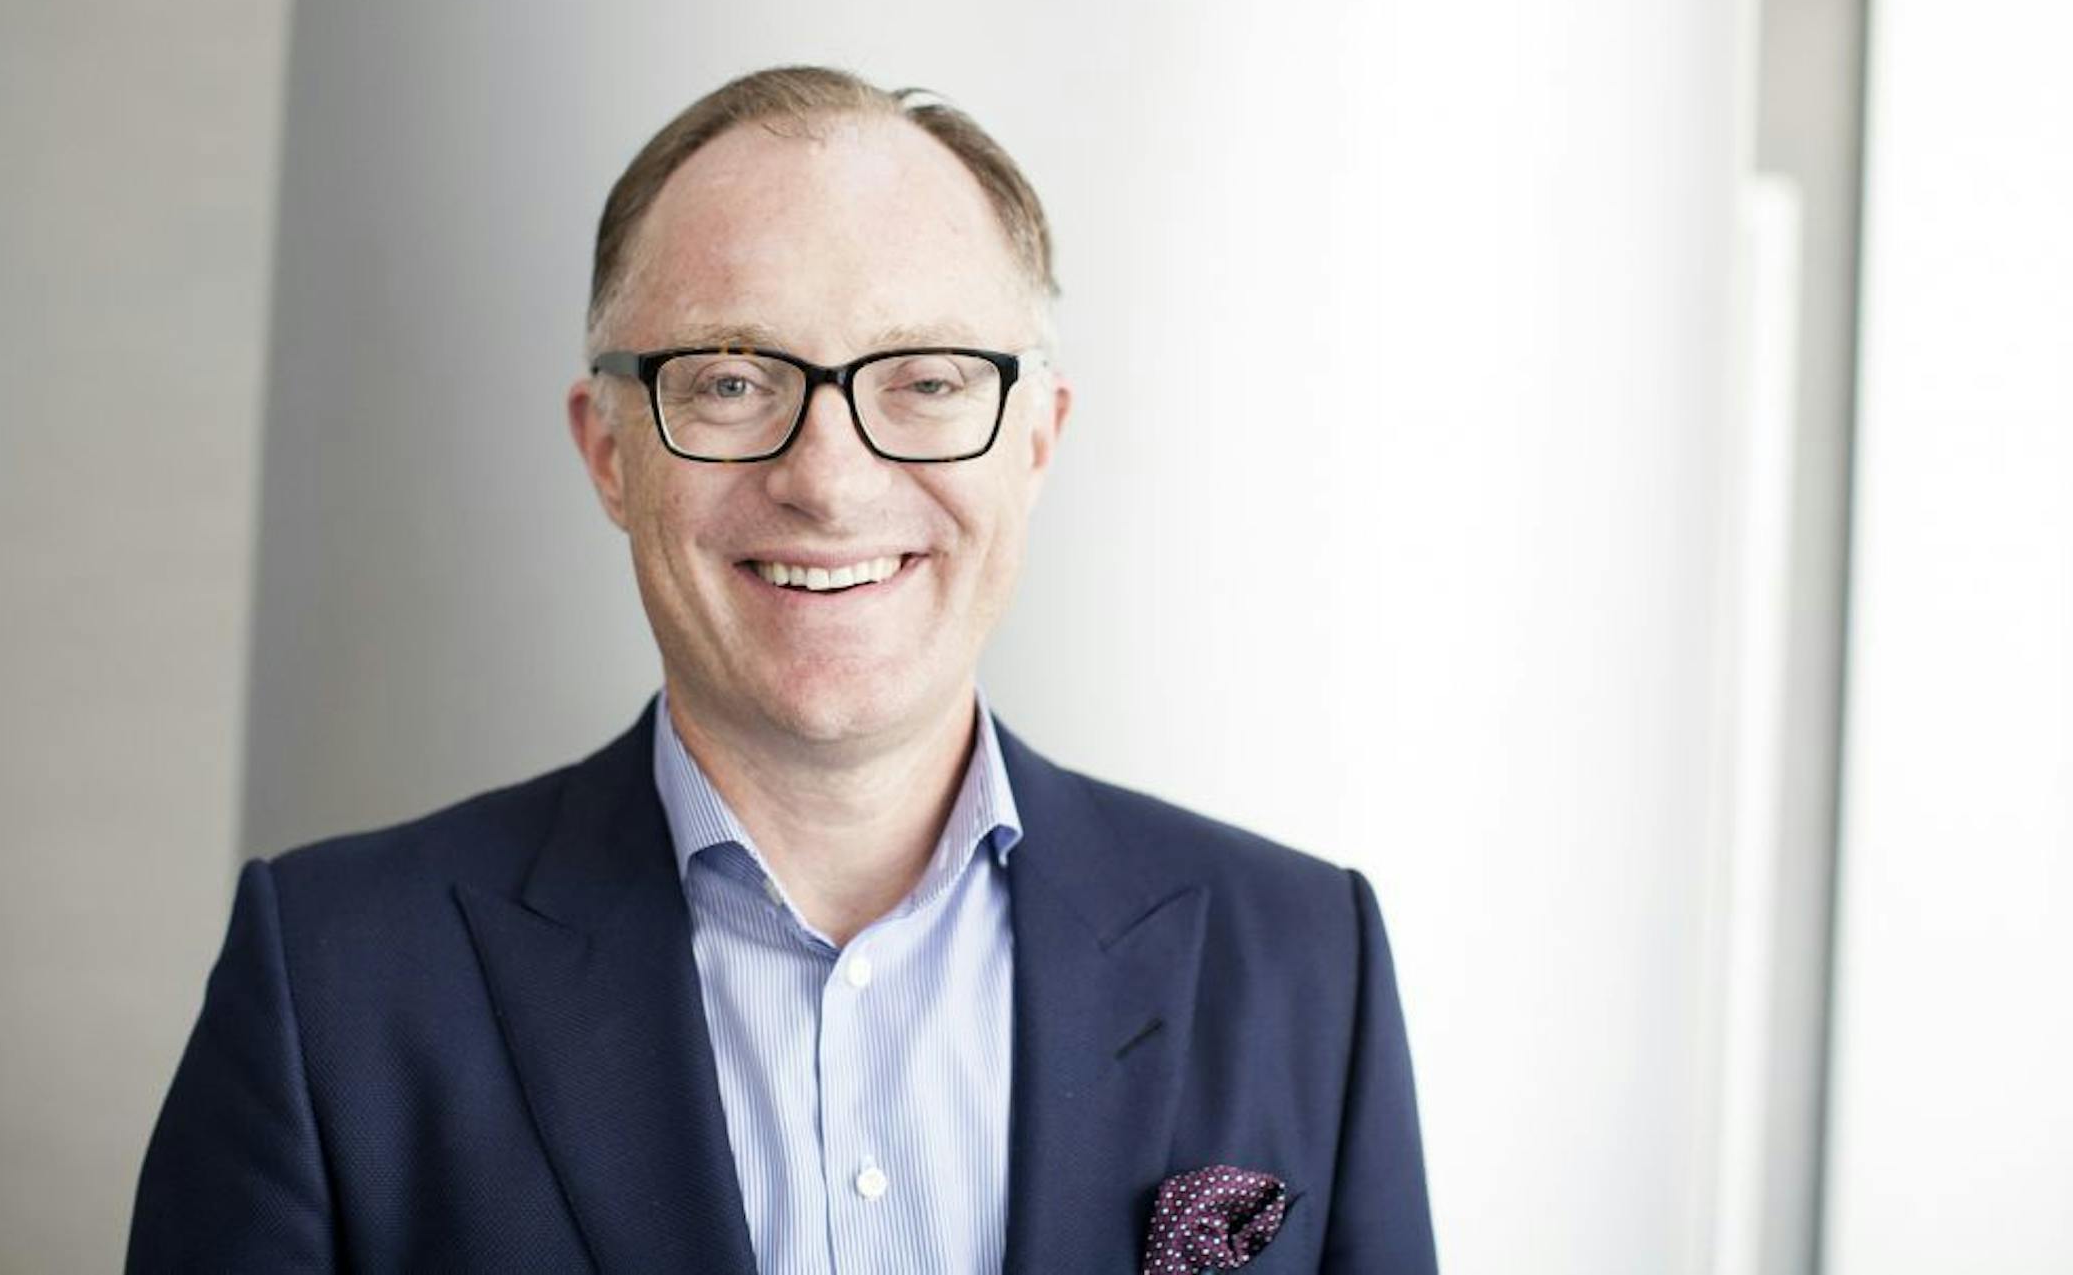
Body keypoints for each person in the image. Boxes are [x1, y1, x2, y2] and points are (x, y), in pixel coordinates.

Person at [127, 66, 1437, 1273]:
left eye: (927, 379)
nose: (827, 477)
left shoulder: (1307, 966)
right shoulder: (333, 984)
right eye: (734, 378)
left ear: (1036, 440)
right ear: (609, 449)